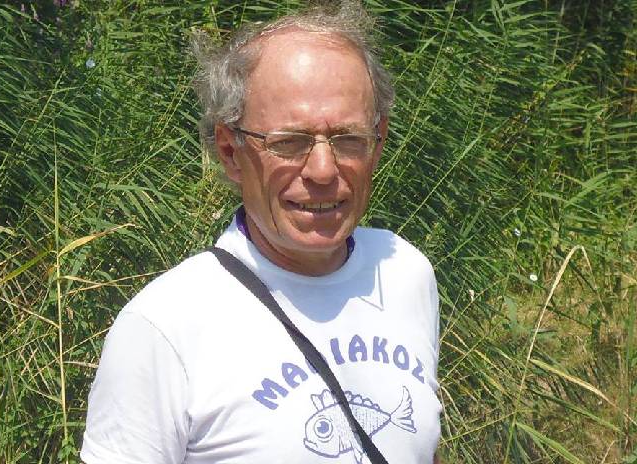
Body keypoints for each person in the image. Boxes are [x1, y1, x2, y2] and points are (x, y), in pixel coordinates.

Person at [80, 2, 442, 463]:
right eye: (288, 142)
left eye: (349, 139)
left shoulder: (405, 273)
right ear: (230, 151)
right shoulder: (165, 327)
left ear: (379, 140)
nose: (323, 170)